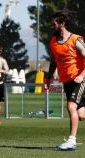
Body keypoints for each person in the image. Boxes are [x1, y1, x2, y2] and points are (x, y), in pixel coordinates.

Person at [46, 10, 85, 151]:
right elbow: (53, 61)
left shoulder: (76, 40)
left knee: (71, 107)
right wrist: (49, 78)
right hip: (67, 81)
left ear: (62, 24)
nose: (52, 26)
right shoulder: (53, 42)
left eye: (54, 24)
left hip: (80, 79)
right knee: (80, 114)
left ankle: (71, 141)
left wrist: (82, 75)